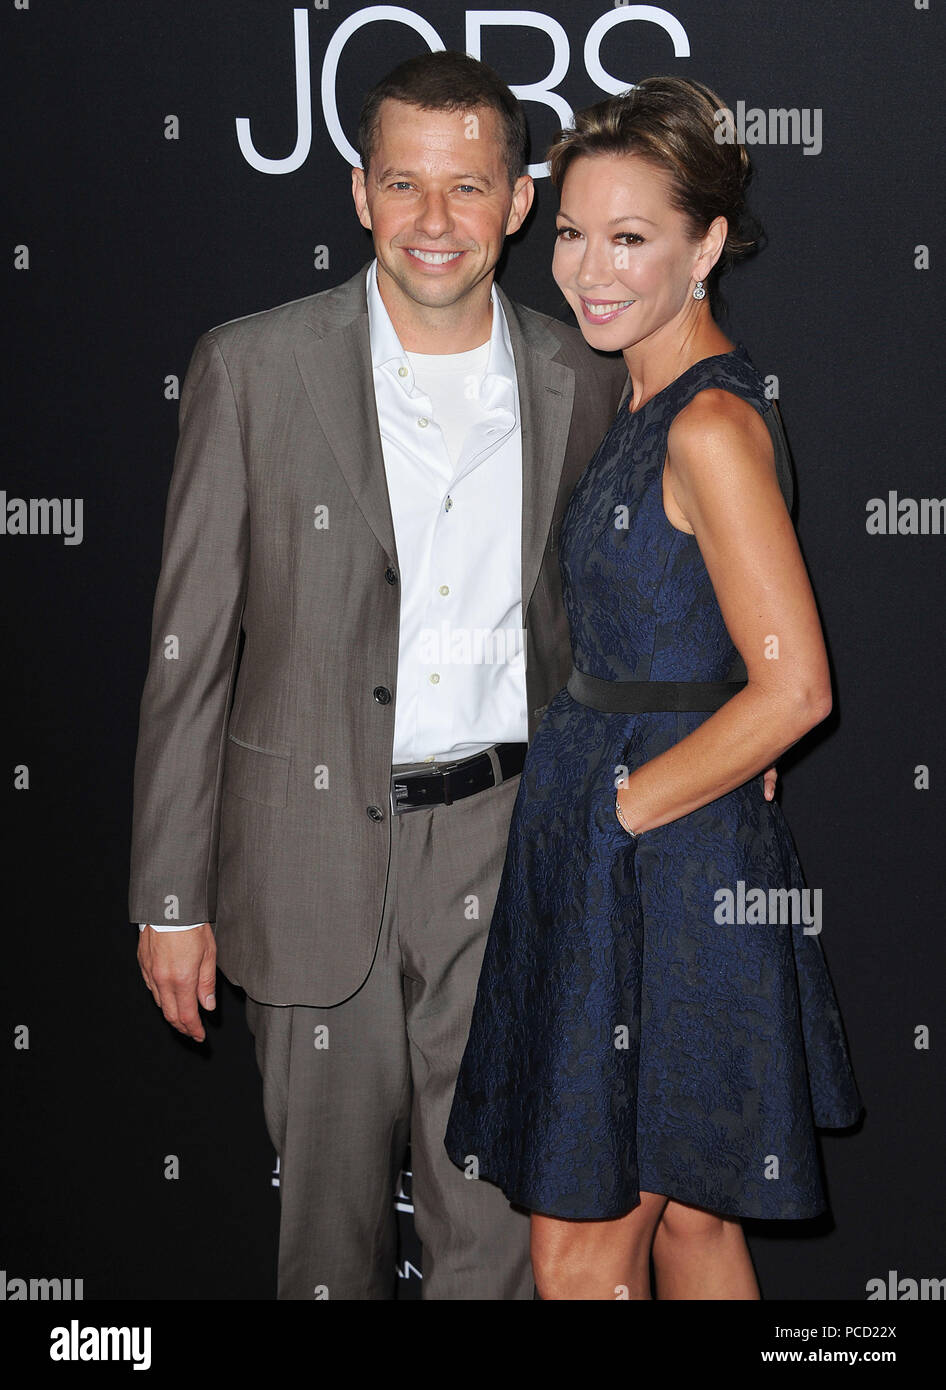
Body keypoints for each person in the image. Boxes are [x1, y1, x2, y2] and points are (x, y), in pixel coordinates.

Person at [129, 53, 782, 1301]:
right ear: (360, 194)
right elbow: (188, 646)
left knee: (501, 1245)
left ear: (517, 202)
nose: (436, 222)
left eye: (468, 187)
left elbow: (640, 605)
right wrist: (170, 892)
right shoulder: (251, 368)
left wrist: (720, 752)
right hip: (304, 855)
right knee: (323, 1247)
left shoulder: (591, 376)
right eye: (405, 185)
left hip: (518, 850)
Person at [445, 76, 863, 1301]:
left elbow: (795, 692)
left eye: (631, 238)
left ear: (708, 244)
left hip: (658, 861)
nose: (588, 268)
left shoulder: (705, 429)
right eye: (572, 233)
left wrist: (617, 817)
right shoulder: (647, 392)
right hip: (651, 838)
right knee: (689, 1226)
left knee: (579, 1252)